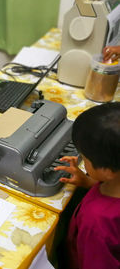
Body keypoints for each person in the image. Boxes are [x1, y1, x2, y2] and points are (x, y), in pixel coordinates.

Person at [55, 102, 120, 269]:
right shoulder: (112, 182)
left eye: (86, 158)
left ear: (107, 172)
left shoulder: (96, 222)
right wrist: (89, 182)